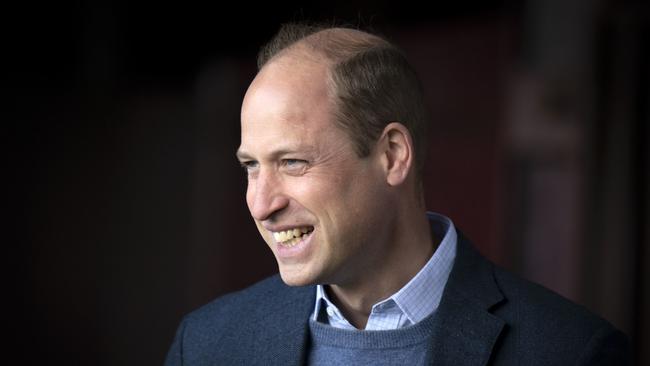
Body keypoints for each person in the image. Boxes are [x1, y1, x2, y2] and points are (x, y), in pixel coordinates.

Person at [165, 23, 629, 365]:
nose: (263, 205)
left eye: (292, 162)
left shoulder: (572, 351)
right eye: (251, 166)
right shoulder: (206, 344)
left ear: (391, 155)